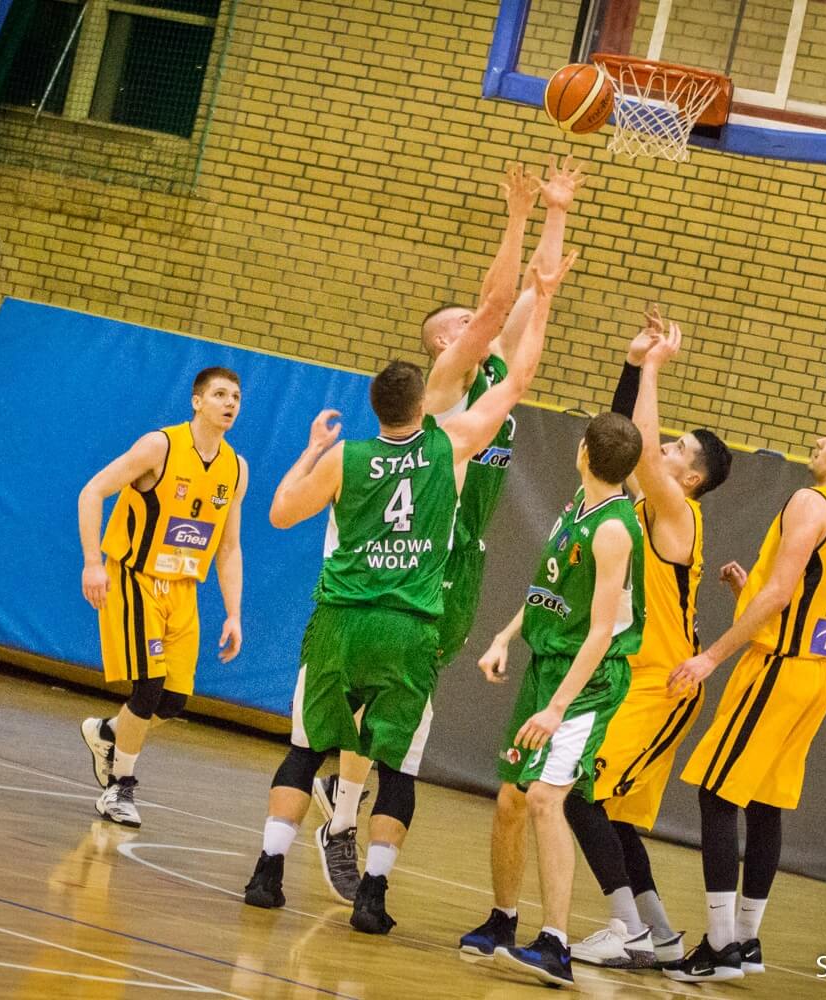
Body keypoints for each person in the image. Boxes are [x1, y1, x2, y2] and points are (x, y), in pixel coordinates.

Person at [244, 248, 576, 936]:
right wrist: (542, 292)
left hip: (345, 618)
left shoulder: (347, 458)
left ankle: (268, 870)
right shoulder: (448, 443)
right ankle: (369, 885)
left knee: (306, 748)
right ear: (425, 400)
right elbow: (518, 367)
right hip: (409, 622)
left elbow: (278, 514)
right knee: (397, 763)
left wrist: (311, 452)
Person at [310, 158, 584, 903]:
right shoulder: (443, 391)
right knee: (382, 695)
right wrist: (517, 217)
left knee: (409, 693)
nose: (472, 324)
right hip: (409, 559)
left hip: (463, 555)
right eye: (454, 326)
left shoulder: (495, 379)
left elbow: (534, 292)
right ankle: (341, 816)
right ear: (440, 349)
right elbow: (497, 306)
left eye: (468, 320)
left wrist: (556, 210)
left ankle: (345, 798)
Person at [665, 416, 826, 982]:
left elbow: (784, 593)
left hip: (778, 668)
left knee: (717, 793)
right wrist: (749, 594)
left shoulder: (812, 502)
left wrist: (711, 657)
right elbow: (812, 595)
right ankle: (746, 940)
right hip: (819, 673)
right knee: (765, 803)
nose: (819, 441)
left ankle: (719, 946)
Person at [566, 312, 732, 970]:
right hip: (631, 678)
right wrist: (633, 365)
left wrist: (657, 371)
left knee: (578, 790)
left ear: (690, 479)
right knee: (613, 814)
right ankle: (658, 934)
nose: (661, 448)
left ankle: (627, 929)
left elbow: (638, 447)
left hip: (661, 686)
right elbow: (620, 440)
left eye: (677, 449)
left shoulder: (679, 514)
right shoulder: (647, 503)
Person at [459, 411, 645, 987]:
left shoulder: (613, 529)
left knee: (545, 797)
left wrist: (558, 706)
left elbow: (600, 632)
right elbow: (548, 588)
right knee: (511, 799)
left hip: (588, 681)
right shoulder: (580, 503)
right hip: (547, 666)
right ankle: (503, 920)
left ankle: (556, 945)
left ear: (584, 451)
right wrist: (504, 636)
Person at [76, 368, 247, 828]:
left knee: (171, 702)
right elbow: (92, 491)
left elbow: (229, 548)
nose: (229, 403)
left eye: (235, 396)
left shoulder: (236, 468)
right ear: (197, 401)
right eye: (219, 394)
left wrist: (233, 613)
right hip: (136, 578)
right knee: (148, 688)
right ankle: (119, 788)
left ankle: (109, 732)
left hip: (184, 589)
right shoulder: (160, 446)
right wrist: (92, 563)